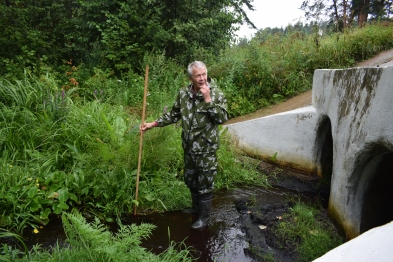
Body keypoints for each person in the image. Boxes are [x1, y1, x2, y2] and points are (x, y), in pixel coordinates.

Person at [140, 61, 229, 229]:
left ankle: (204, 217)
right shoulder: (183, 94)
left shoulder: (216, 94)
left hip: (206, 149)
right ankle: (196, 209)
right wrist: (153, 124)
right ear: (190, 78)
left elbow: (222, 119)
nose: (203, 78)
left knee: (205, 182)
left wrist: (208, 100)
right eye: (198, 76)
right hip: (189, 148)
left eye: (204, 74)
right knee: (191, 180)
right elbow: (173, 114)